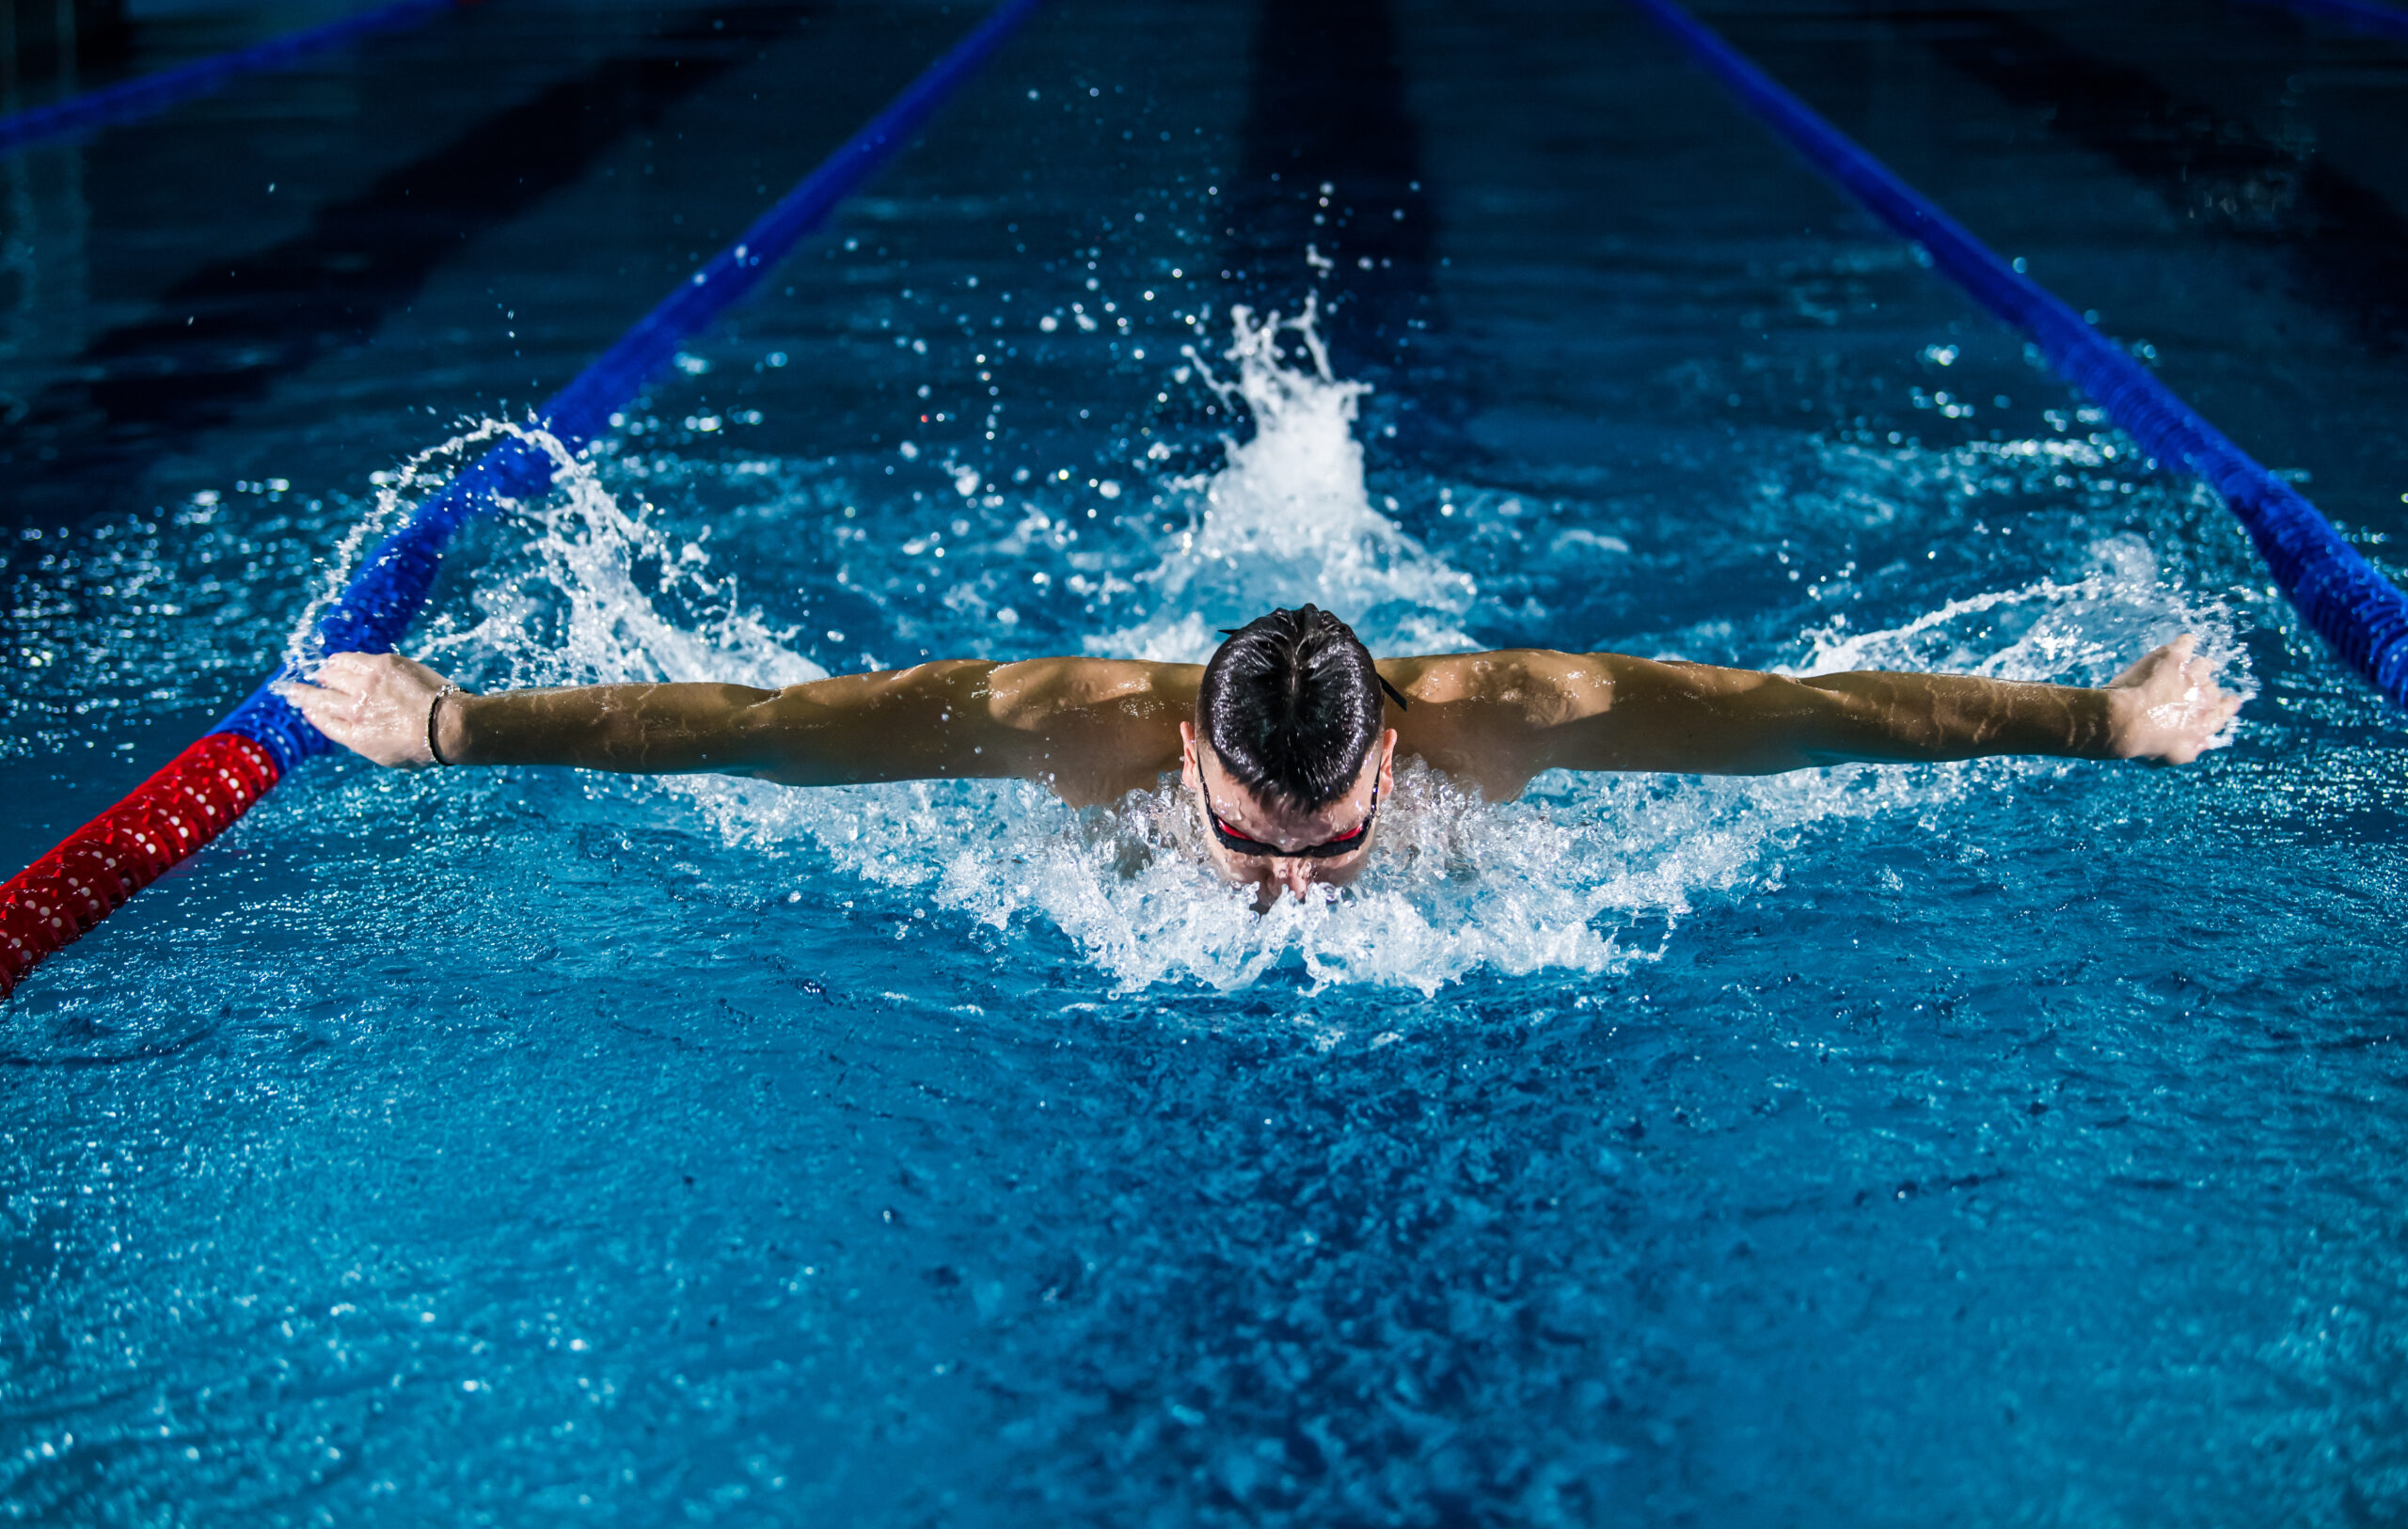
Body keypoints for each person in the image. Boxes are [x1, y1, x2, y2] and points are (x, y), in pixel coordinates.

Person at [287, 605, 2241, 905]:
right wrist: (453, 723)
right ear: (1187, 757)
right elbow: (767, 732)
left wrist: (2101, 721)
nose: (1283, 884)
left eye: (1322, 840)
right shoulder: (1068, 731)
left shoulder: (1522, 714)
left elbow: (1814, 713)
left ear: (1396, 739)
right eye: (1248, 832)